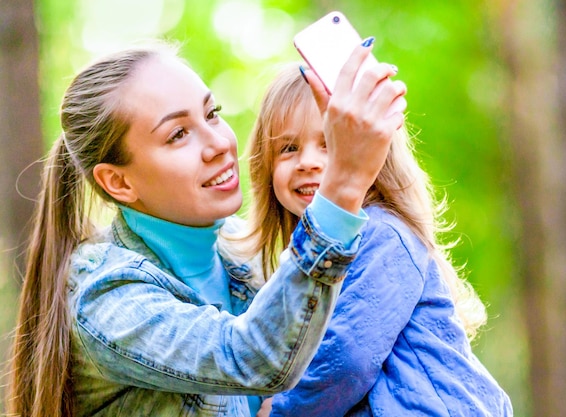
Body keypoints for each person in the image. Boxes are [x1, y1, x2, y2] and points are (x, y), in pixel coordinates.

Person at [5, 38, 407, 417]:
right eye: (178, 134)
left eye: (212, 114)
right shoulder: (108, 299)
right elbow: (253, 358)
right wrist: (342, 183)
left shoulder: (245, 252)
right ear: (119, 182)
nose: (218, 143)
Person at [235, 63, 513, 416]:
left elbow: (348, 357)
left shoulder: (383, 234)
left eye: (329, 144)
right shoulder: (297, 267)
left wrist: (280, 411)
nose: (307, 161)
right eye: (288, 148)